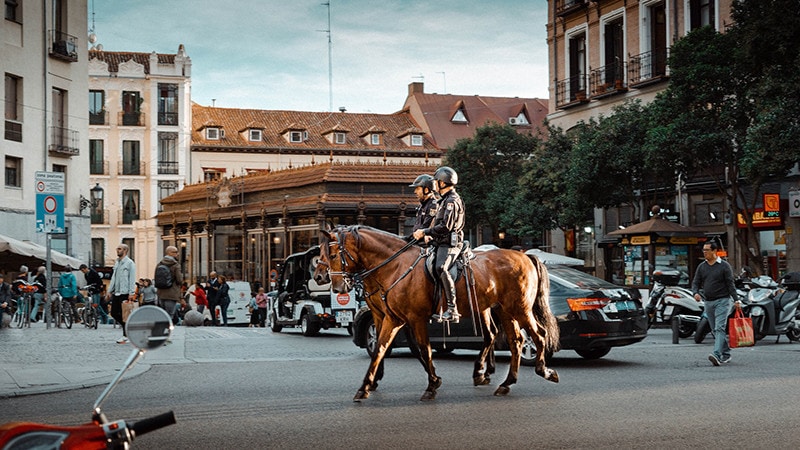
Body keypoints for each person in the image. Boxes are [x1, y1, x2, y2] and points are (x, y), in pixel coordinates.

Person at [413, 166, 465, 322]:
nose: (434, 184)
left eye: (436, 181)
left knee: (441, 267)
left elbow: (446, 227)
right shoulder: (443, 201)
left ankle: (452, 309)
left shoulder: (452, 201)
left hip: (451, 244)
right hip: (440, 242)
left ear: (442, 183)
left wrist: (425, 232)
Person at [692, 241, 738, 366]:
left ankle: (717, 354)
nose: (704, 252)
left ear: (714, 251)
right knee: (714, 329)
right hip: (708, 302)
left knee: (719, 328)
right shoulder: (702, 266)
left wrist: (736, 299)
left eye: (707, 250)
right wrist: (695, 292)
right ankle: (726, 353)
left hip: (723, 301)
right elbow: (696, 282)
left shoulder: (724, 266)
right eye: (703, 250)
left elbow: (730, 284)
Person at [107, 243, 137, 344]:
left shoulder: (130, 263)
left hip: (125, 293)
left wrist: (131, 292)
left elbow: (132, 278)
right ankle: (129, 328)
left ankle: (126, 335)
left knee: (125, 315)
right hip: (117, 292)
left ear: (125, 250)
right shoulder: (117, 262)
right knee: (114, 313)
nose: (117, 250)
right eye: (117, 248)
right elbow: (113, 278)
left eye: (119, 249)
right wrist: (110, 291)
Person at [155, 246, 184, 323]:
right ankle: (168, 331)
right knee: (170, 315)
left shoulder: (159, 264)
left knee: (163, 314)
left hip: (160, 293)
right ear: (169, 253)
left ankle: (162, 329)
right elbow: (179, 280)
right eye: (175, 252)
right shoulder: (175, 265)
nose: (177, 254)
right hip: (171, 293)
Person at [408, 174, 437, 245]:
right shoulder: (422, 205)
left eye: (417, 188)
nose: (415, 192)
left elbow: (425, 227)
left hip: (425, 243)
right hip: (416, 241)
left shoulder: (433, 206)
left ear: (426, 190)